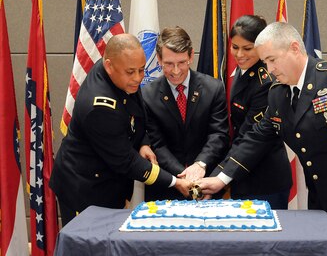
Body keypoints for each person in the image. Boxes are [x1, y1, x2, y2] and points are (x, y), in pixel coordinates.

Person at [197, 22, 327, 255]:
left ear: (294, 48)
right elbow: (257, 137)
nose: (269, 68)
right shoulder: (278, 94)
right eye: (265, 62)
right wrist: (221, 178)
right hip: (325, 212)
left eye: (272, 59)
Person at [49, 34, 191, 226]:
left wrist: (143, 143)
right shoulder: (100, 107)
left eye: (141, 70)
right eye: (131, 72)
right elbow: (127, 161)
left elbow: (136, 115)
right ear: (108, 66)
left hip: (109, 179)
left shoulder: (120, 73)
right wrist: (175, 182)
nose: (138, 78)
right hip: (83, 187)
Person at [209, 15, 291, 209]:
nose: (239, 55)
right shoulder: (240, 70)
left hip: (265, 180)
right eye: (234, 47)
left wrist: (218, 177)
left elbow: (249, 135)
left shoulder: (266, 83)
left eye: (247, 48)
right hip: (240, 174)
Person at [141, 26, 230, 201]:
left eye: (181, 62)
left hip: (208, 185)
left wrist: (200, 165)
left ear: (191, 56)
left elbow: (218, 134)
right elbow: (157, 144)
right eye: (168, 64)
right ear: (158, 59)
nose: (175, 71)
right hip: (167, 187)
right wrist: (184, 177)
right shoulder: (147, 95)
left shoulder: (213, 88)